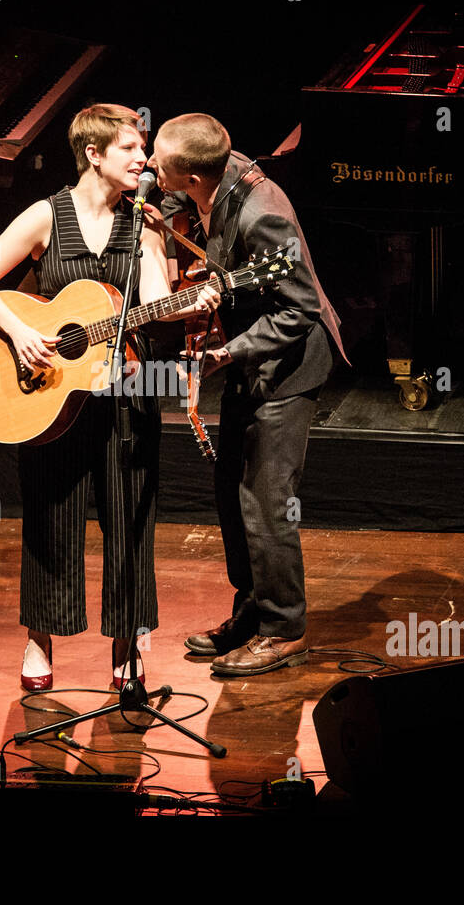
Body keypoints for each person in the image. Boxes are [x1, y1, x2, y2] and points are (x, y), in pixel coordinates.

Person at [0, 104, 218, 691]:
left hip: (126, 392)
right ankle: (38, 639)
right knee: (50, 516)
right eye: (130, 148)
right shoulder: (47, 215)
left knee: (130, 522)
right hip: (51, 396)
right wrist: (21, 330)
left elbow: (154, 306)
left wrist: (185, 304)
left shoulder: (147, 223)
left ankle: (127, 646)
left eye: (143, 147)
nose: (143, 159)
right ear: (94, 154)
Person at [147, 113, 348, 676]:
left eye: (157, 162)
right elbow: (166, 204)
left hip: (286, 369)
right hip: (246, 361)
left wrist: (226, 352)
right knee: (231, 495)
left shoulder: (263, 214)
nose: (148, 167)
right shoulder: (212, 179)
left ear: (188, 173)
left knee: (265, 504)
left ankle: (285, 629)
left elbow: (300, 308)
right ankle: (253, 609)